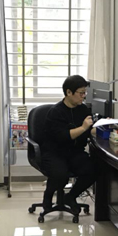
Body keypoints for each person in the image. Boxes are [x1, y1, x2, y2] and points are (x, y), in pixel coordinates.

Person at [41, 75, 97, 214]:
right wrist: (83, 127)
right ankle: (48, 194)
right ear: (69, 92)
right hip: (55, 152)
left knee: (93, 170)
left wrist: (101, 127)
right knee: (60, 174)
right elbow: (63, 136)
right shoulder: (56, 112)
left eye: (85, 93)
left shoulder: (83, 110)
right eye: (81, 93)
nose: (83, 96)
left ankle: (70, 197)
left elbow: (89, 130)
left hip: (74, 152)